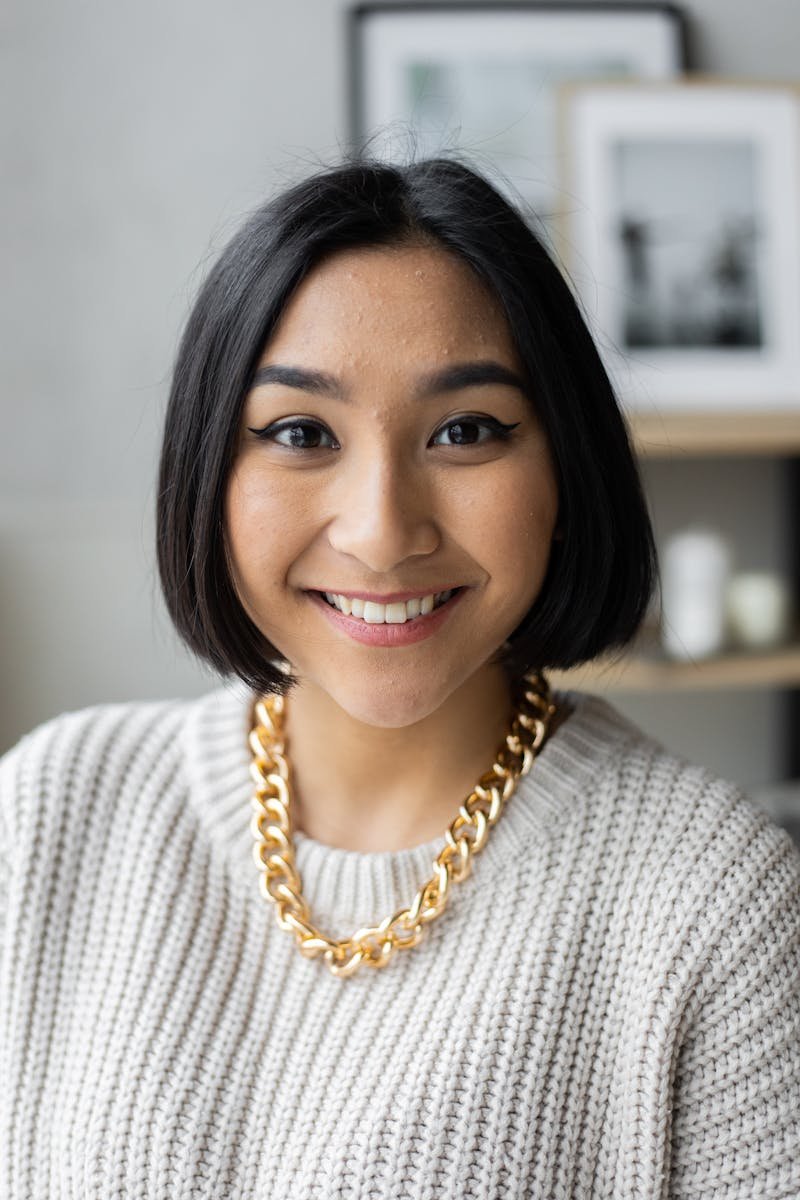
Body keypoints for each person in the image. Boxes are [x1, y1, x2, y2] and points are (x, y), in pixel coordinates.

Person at [1, 158, 798, 1200]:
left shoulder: (709, 900)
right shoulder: (55, 807)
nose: (381, 533)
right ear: (208, 469)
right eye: (299, 433)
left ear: (565, 468)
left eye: (464, 431)